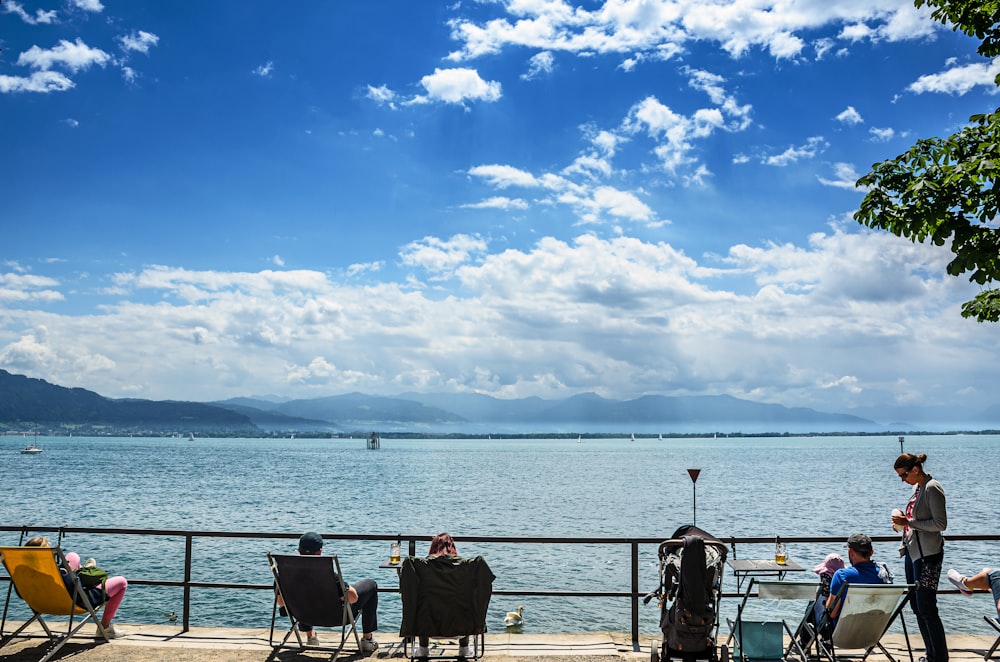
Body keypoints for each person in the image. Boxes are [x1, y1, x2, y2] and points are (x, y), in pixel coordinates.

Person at [278, 531, 379, 652]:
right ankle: (367, 640)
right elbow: (353, 598)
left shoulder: (284, 574)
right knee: (371, 585)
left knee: (302, 597)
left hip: (302, 616)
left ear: (299, 550)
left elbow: (280, 602)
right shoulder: (327, 576)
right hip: (337, 617)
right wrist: (344, 592)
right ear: (320, 551)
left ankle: (311, 637)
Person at [892, 453, 948, 662]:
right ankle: (930, 654)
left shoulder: (932, 487)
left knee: (927, 607)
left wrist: (908, 523)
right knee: (917, 606)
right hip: (913, 553)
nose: (902, 480)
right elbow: (914, 520)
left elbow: (940, 524)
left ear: (916, 469)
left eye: (904, 475)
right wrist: (902, 524)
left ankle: (939, 658)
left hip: (928, 556)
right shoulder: (917, 488)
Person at [25, 535, 128, 639]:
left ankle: (85, 569)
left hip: (41, 604)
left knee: (72, 556)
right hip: (76, 601)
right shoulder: (57, 574)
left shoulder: (23, 574)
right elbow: (76, 588)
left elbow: (21, 593)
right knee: (122, 582)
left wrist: (65, 571)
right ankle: (105, 627)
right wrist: (70, 573)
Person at [412, 533, 475, 659]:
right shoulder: (464, 567)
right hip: (460, 629)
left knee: (421, 600)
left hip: (428, 629)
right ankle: (464, 648)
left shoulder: (423, 567)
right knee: (466, 598)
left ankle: (423, 649)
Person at [824, 534, 892, 622]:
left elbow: (832, 613)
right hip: (875, 629)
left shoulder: (842, 576)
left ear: (851, 552)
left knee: (817, 603)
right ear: (872, 552)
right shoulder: (884, 575)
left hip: (844, 631)